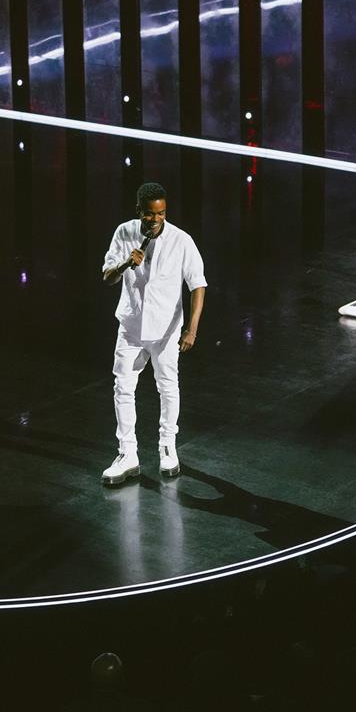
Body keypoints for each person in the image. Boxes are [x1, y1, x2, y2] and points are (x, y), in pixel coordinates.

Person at [101, 182, 207, 485]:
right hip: (131, 327)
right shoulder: (124, 233)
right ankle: (127, 453)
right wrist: (125, 263)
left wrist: (192, 330)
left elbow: (197, 285)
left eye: (161, 213)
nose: (155, 219)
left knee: (167, 387)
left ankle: (167, 446)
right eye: (149, 214)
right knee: (122, 387)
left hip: (166, 330)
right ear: (139, 212)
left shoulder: (181, 240)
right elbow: (107, 276)